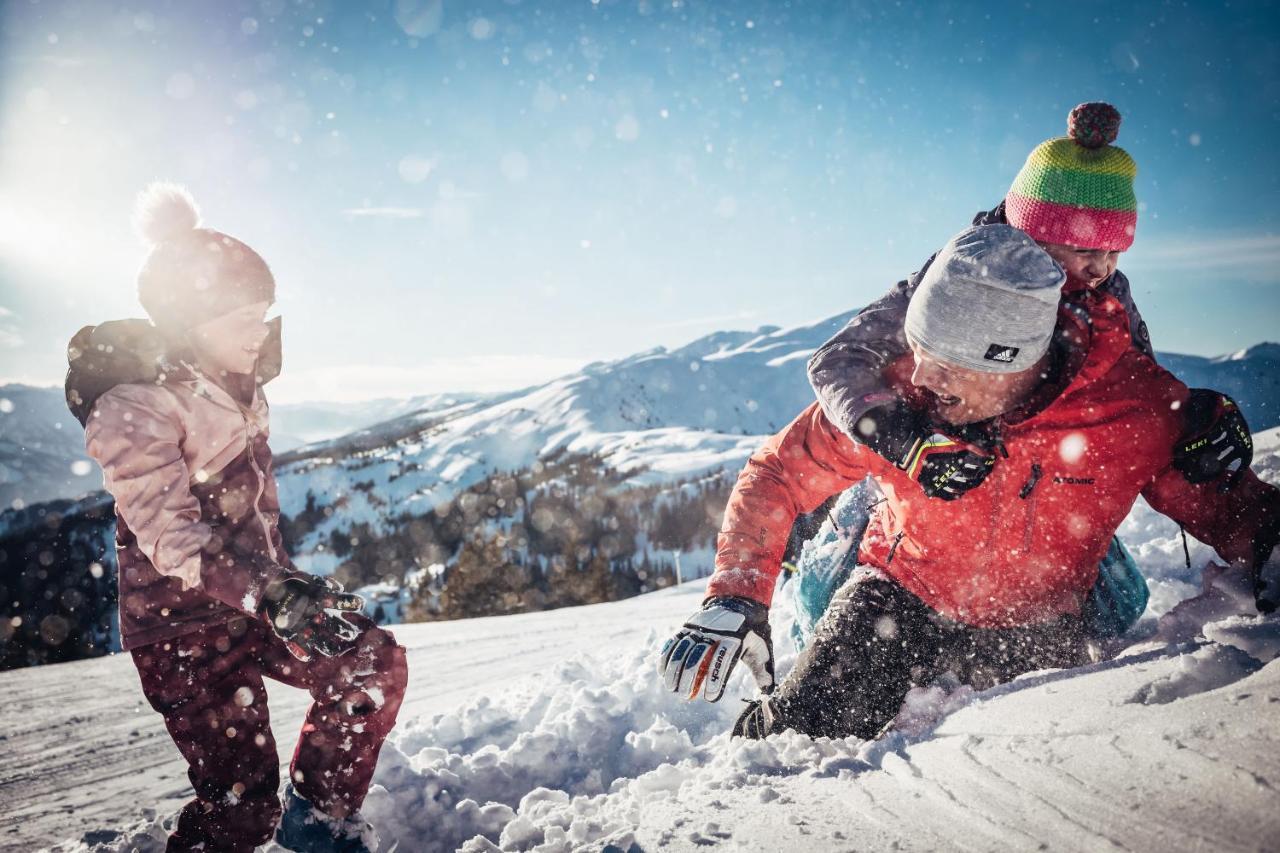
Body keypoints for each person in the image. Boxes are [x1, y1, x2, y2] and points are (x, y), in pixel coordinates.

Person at [658, 224, 1280, 741]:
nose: (921, 379)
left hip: (1040, 624)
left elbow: (1237, 514)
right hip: (896, 601)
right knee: (799, 737)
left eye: (948, 367)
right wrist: (736, 595)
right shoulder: (897, 399)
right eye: (918, 350)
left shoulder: (1130, 412)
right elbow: (777, 473)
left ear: (1019, 358)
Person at [67, 184, 408, 853]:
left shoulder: (240, 386)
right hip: (182, 629)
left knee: (370, 661)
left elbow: (255, 510)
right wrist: (270, 588)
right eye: (242, 316)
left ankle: (319, 825)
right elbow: (171, 535)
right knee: (240, 811)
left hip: (255, 603)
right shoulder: (134, 403)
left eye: (264, 314)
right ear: (188, 323)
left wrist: (288, 588)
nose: (260, 331)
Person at [807, 102, 1251, 503]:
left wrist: (1193, 418)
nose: (1103, 268)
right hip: (935, 508)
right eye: (1086, 251)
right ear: (1034, 237)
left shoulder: (1105, 296)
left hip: (1052, 495)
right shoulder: (960, 281)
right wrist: (904, 440)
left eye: (1115, 252)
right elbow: (839, 359)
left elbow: (1131, 384)